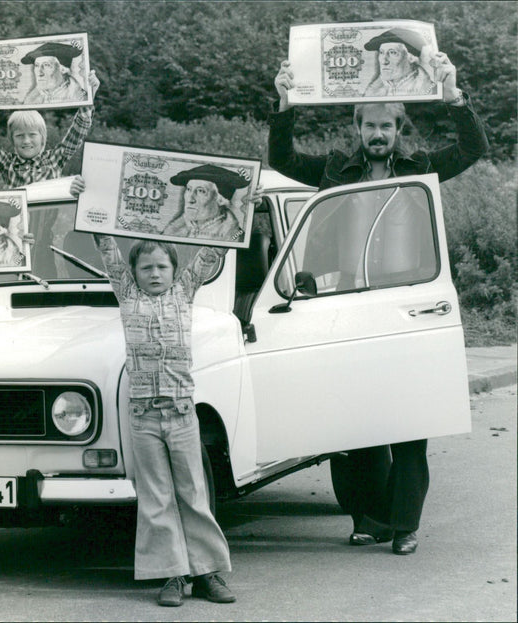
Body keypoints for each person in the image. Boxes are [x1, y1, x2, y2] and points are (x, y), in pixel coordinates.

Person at [269, 51, 488, 555]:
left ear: (399, 127)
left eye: (386, 124)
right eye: (369, 124)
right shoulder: (335, 169)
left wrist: (453, 94)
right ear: (357, 126)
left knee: (411, 423)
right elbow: (282, 160)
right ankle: (368, 517)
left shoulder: (420, 166)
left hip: (409, 305)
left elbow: (474, 147)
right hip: (347, 306)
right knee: (354, 420)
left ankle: (404, 524)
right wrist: (284, 103)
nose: (377, 133)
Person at [92, 230, 235, 607]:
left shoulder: (183, 292)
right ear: (134, 273)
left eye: (162, 266)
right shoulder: (127, 295)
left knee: (193, 492)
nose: (154, 273)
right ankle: (173, 574)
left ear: (175, 270)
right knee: (156, 497)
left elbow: (211, 253)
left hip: (182, 413)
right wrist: (89, 202)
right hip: (143, 416)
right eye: (145, 267)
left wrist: (238, 215)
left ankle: (207, 573)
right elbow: (107, 249)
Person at [0, 72, 98, 269]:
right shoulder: (7, 163)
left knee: (45, 283)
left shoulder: (55, 159)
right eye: (20, 136)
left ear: (42, 138)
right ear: (12, 140)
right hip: (15, 240)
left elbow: (78, 131)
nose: (26, 141)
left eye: (32, 135)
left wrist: (89, 97)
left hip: (44, 240)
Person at [162, 164, 249, 242]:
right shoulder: (172, 232)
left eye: (201, 191)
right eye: (189, 189)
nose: (190, 199)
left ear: (221, 200)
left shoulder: (235, 238)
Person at [362, 28, 436, 97]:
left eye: (392, 53)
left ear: (412, 58)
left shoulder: (429, 91)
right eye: (381, 52)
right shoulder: (372, 93)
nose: (384, 61)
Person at [20, 41, 89, 105]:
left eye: (46, 65)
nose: (39, 73)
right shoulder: (31, 100)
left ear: (63, 69)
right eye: (37, 65)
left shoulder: (79, 98)